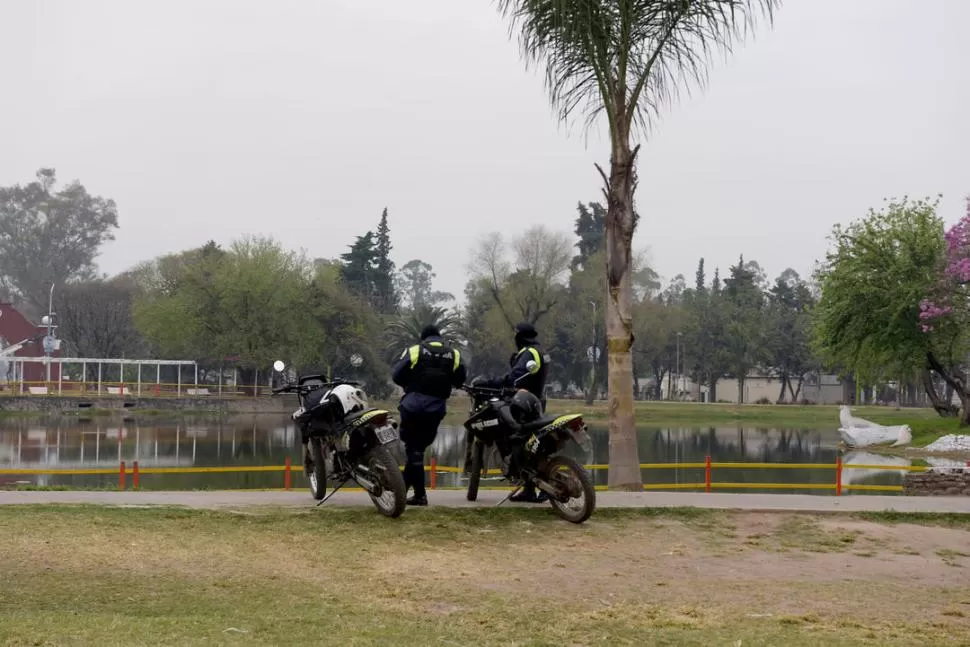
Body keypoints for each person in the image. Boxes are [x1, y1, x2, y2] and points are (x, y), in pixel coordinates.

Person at [391, 324, 466, 506]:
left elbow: (397, 375)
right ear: (439, 337)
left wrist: (410, 384)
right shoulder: (454, 354)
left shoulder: (416, 350)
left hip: (413, 405)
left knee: (414, 451)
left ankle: (409, 493)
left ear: (423, 338)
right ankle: (409, 492)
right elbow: (460, 380)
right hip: (436, 407)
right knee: (416, 451)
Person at [476, 321, 551, 503]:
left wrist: (489, 382)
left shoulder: (529, 353)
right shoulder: (540, 351)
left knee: (517, 440)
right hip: (536, 400)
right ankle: (529, 489)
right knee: (531, 443)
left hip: (524, 402)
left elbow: (514, 378)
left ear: (520, 336)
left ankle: (539, 486)